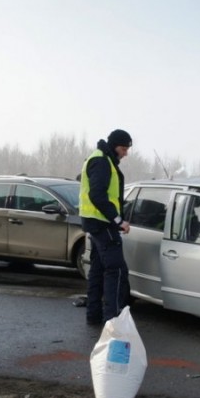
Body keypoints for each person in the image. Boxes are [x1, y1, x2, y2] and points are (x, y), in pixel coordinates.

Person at [79, 129, 133, 325]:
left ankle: (94, 315)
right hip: (103, 224)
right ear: (114, 145)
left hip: (95, 224)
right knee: (116, 271)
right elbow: (98, 195)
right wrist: (118, 220)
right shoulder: (102, 161)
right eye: (123, 148)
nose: (125, 153)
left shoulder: (100, 158)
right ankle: (114, 321)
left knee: (98, 270)